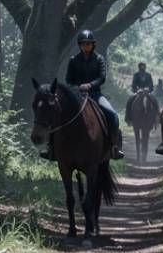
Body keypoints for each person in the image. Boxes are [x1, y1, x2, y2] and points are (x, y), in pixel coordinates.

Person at [42, 29, 123, 161]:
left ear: (93, 45)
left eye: (88, 44)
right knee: (57, 112)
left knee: (112, 113)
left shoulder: (99, 59)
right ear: (79, 45)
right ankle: (50, 147)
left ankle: (114, 146)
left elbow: (102, 77)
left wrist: (90, 85)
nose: (86, 46)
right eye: (83, 44)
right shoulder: (73, 60)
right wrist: (76, 88)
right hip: (76, 96)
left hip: (95, 94)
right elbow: (68, 79)